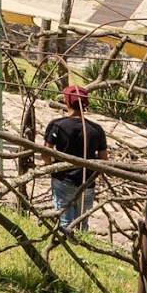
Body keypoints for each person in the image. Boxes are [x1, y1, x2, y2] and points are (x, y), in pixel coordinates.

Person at [43, 79, 107, 236]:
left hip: (63, 179)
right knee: (82, 222)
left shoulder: (57, 125)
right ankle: (80, 245)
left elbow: (46, 152)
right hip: (87, 182)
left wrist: (50, 167)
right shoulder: (97, 130)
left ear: (66, 102)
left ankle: (66, 244)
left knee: (64, 221)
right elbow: (103, 159)